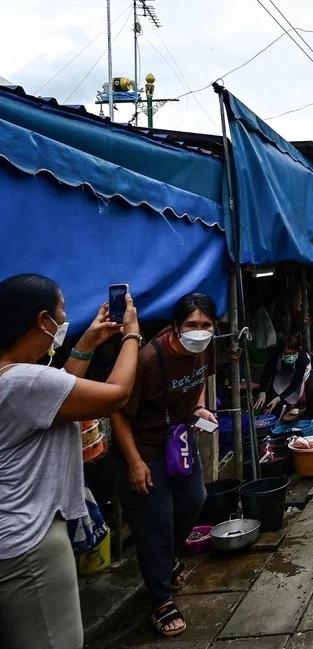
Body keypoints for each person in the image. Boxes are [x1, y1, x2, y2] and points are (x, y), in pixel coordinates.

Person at [0, 274, 141, 649]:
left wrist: (88, 341)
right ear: (43, 321)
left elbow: (58, 387)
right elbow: (116, 395)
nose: (66, 318)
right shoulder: (22, 382)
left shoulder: (14, 378)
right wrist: (131, 335)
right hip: (30, 541)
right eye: (62, 311)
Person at [110, 292, 218, 638]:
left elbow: (201, 378)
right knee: (155, 521)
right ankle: (160, 601)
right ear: (175, 327)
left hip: (179, 441)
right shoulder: (148, 359)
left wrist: (198, 408)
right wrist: (134, 462)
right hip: (144, 446)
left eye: (205, 325)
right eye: (191, 325)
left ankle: (166, 560)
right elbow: (117, 409)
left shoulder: (206, 347)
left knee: (193, 500)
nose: (199, 331)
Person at [254, 332, 313, 421]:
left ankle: (312, 418)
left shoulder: (302, 359)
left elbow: (295, 383)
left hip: (302, 377)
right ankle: (273, 417)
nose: (291, 357)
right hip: (284, 376)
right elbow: (266, 374)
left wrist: (278, 398)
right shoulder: (274, 356)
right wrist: (262, 392)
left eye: (293, 353)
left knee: (311, 390)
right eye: (287, 354)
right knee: (271, 394)